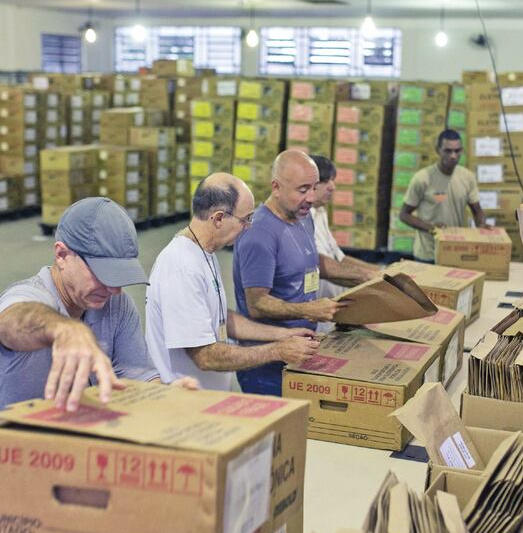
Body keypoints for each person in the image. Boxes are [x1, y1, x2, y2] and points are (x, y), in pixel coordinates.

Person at [0, 197, 194, 414]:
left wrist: (163, 396)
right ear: (62, 255)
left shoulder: (116, 304)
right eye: (103, 274)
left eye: (120, 276)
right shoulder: (29, 297)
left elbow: (138, 378)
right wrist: (64, 330)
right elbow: (11, 320)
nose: (113, 289)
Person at [145, 173, 320, 390]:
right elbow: (206, 356)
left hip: (207, 397)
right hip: (185, 402)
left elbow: (218, 318)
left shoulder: (204, 252)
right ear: (218, 218)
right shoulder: (182, 267)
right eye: (245, 219)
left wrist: (284, 334)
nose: (248, 227)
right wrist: (277, 350)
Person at [233, 150, 349, 396]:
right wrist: (308, 310)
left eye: (314, 188)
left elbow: (309, 262)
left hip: (301, 348)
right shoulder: (259, 234)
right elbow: (256, 303)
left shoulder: (303, 218)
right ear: (276, 187)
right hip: (267, 362)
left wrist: (366, 277)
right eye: (302, 189)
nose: (310, 197)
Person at [399, 128, 488, 263]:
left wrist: (481, 225)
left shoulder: (467, 177)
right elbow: (404, 215)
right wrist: (430, 228)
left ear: (462, 151)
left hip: (455, 251)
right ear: (438, 150)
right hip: (427, 254)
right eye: (448, 151)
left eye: (457, 151)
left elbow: (477, 210)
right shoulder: (422, 179)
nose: (453, 156)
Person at [310, 155, 380, 300]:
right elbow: (321, 266)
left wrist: (381, 271)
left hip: (332, 304)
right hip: (316, 304)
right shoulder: (299, 219)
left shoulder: (320, 212)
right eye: (325, 181)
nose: (332, 187)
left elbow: (339, 258)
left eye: (332, 180)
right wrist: (369, 278)